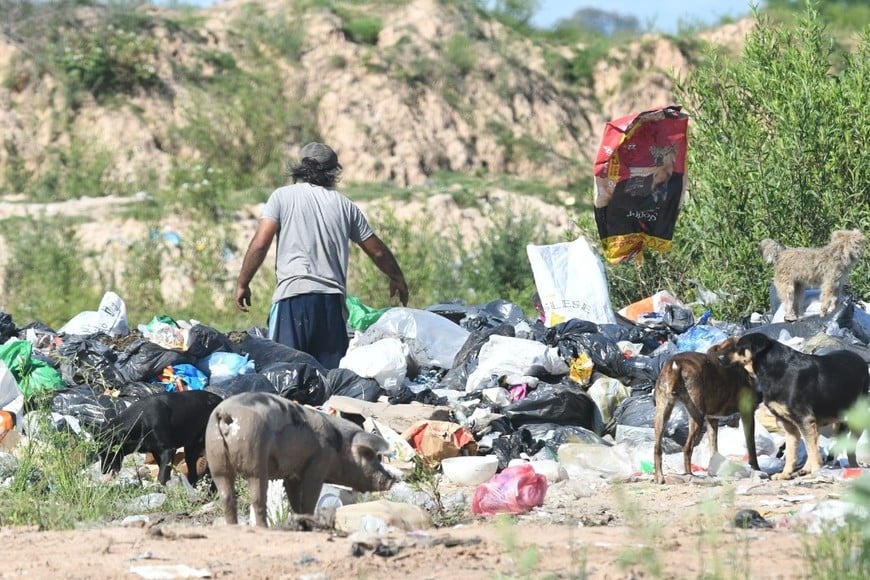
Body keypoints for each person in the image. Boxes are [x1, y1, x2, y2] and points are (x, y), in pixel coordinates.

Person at [235, 142, 409, 369]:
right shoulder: (345, 205)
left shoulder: (282, 197)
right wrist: (398, 278)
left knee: (285, 376)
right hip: (331, 304)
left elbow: (260, 244)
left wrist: (243, 283)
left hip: (293, 298)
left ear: (301, 167)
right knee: (328, 382)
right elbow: (376, 250)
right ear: (333, 172)